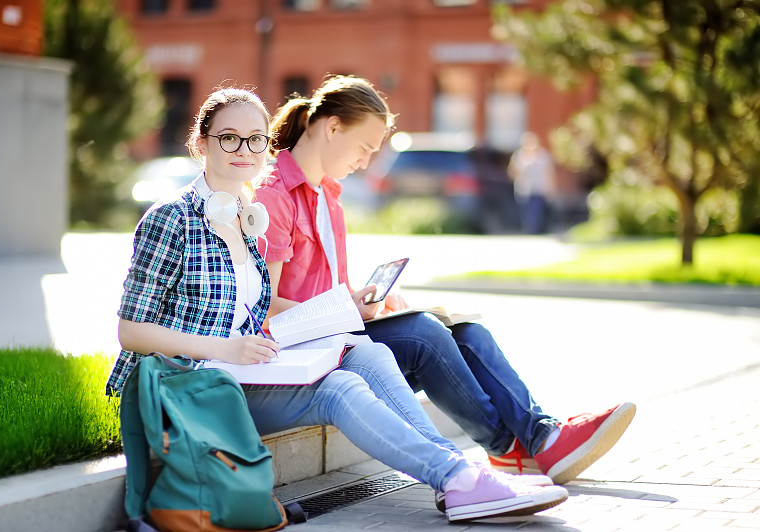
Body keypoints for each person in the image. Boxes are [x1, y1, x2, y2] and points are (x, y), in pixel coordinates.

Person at [104, 86, 569, 522]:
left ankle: (459, 479)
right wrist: (223, 348)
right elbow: (132, 332)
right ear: (200, 144)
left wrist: (327, 321)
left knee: (367, 351)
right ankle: (459, 477)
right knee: (339, 389)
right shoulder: (171, 218)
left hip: (240, 374)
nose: (244, 150)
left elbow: (253, 312)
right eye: (228, 138)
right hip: (188, 385)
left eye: (254, 139)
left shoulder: (249, 219)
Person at [255, 75, 636, 497]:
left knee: (468, 333)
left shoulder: (329, 195)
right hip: (306, 351)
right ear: (331, 127)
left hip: (341, 333)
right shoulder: (275, 195)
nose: (366, 162)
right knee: (423, 335)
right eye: (364, 147)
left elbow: (330, 288)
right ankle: (516, 448)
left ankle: (539, 435)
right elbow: (264, 307)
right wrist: (347, 307)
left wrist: (371, 302)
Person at [507, 131, 556, 234]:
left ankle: (534, 230)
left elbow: (549, 173)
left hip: (539, 189)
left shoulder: (543, 156)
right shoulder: (519, 156)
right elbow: (511, 172)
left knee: (536, 210)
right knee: (526, 211)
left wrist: (551, 188)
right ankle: (529, 229)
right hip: (524, 189)